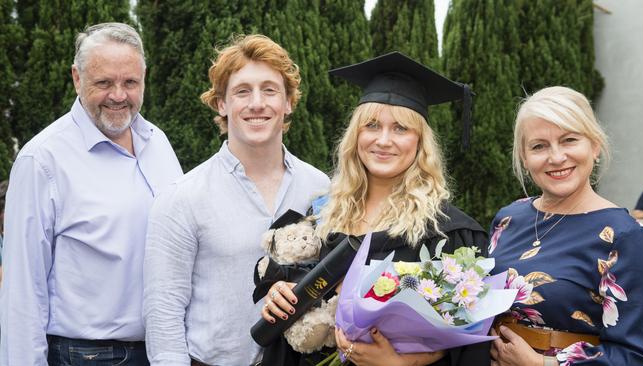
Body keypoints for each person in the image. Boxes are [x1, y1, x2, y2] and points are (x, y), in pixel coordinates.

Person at [261, 52, 490, 366]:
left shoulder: (451, 235)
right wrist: (280, 295)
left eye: (400, 129)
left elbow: (469, 351)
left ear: (420, 142)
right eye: (371, 125)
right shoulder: (321, 218)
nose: (383, 140)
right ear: (356, 137)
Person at [0, 22, 182, 365]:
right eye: (103, 83)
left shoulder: (158, 143)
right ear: (76, 78)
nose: (118, 95)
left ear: (144, 78)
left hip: (165, 350)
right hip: (85, 355)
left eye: (130, 82)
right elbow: (22, 292)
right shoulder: (42, 161)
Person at [142, 34, 330, 366]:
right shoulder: (182, 197)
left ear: (288, 102)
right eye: (242, 91)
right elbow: (163, 312)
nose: (257, 103)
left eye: (270, 90)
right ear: (222, 104)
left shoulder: (318, 187)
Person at [488, 86, 643, 365]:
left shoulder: (625, 236)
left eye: (569, 140)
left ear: (595, 145)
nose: (556, 157)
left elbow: (636, 355)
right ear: (525, 158)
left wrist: (543, 365)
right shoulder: (508, 219)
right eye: (539, 146)